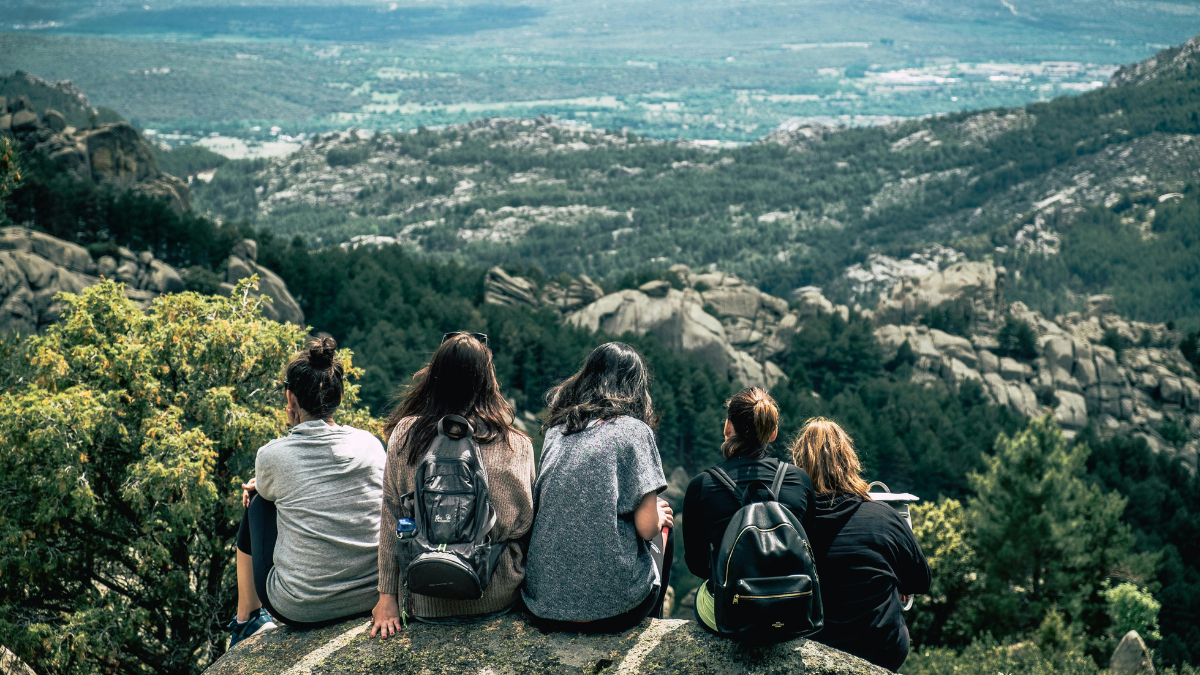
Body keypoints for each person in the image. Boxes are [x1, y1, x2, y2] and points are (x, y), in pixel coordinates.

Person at [371, 332, 534, 638]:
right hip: (495, 596)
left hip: (426, 596)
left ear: (434, 376)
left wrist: (386, 597)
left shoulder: (406, 435)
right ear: (488, 379)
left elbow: (392, 518)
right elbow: (525, 523)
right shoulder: (517, 443)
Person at [229, 337, 387, 647]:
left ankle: (245, 620)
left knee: (259, 503)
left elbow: (271, 491)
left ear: (291, 400)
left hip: (301, 607)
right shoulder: (370, 443)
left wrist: (261, 488)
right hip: (371, 594)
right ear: (338, 398)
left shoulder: (272, 455)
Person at [522, 342, 674, 632]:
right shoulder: (635, 430)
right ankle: (655, 623)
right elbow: (645, 528)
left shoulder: (559, 429)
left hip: (544, 605)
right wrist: (657, 515)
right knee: (664, 523)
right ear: (635, 388)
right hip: (616, 610)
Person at [790, 418, 931, 672]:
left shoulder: (791, 523)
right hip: (880, 651)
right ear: (849, 461)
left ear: (799, 466)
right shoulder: (884, 515)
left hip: (811, 648)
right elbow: (921, 581)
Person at [682, 387, 814, 633]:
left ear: (727, 427)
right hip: (792, 610)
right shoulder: (799, 480)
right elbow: (813, 548)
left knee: (703, 595)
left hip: (732, 615)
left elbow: (697, 565)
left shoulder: (702, 485)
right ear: (772, 433)